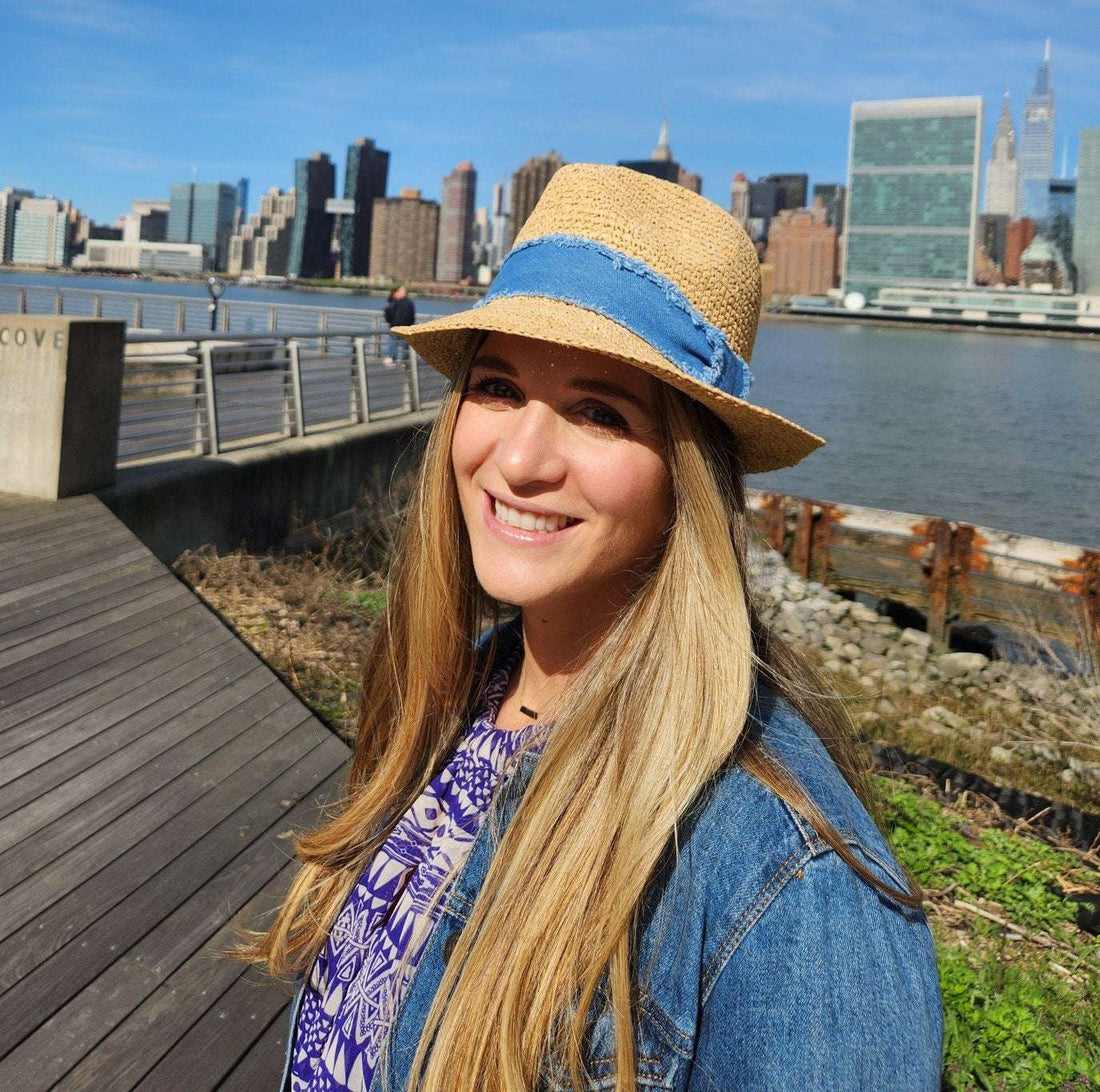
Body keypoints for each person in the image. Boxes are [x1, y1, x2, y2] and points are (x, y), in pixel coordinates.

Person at [228, 163, 944, 1091]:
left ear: (688, 472)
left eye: (599, 413)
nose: (519, 460)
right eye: (495, 388)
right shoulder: (464, 690)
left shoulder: (792, 886)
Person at [383, 285, 415, 365]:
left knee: (400, 343)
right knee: (394, 342)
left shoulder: (406, 302)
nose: (402, 293)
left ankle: (402, 359)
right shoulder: (395, 302)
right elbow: (389, 314)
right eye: (400, 291)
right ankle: (393, 358)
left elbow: (411, 315)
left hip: (404, 327)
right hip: (396, 326)